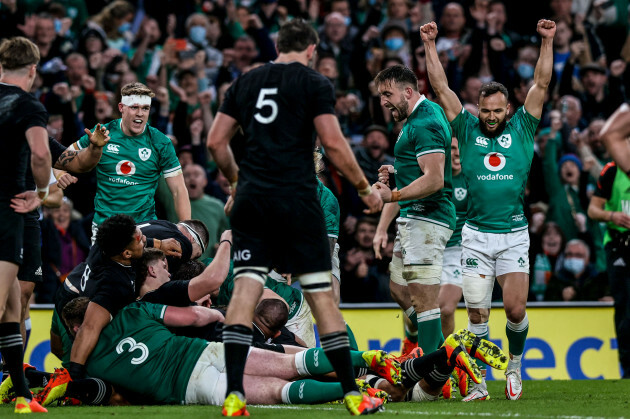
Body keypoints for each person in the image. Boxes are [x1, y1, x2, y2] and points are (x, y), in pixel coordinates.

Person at [206, 19, 383, 416]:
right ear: (311, 49)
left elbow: (215, 141)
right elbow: (334, 144)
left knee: (245, 292)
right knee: (322, 297)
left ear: (276, 46)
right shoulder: (313, 82)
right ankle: (353, 393)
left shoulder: (246, 82)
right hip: (298, 199)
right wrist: (364, 188)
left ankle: (235, 395)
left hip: (253, 200)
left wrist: (237, 182)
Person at [420, 19, 555, 401]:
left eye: (498, 111)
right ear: (477, 108)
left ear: (508, 108)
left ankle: (514, 364)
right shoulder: (465, 127)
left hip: (513, 235)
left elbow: (541, 84)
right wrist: (430, 45)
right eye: (486, 111)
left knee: (514, 310)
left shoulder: (525, 127)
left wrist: (547, 40)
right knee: (477, 316)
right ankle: (477, 381)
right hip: (475, 237)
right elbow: (441, 88)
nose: (491, 116)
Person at [371, 65, 455, 357]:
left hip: (428, 219)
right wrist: (398, 172)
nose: (383, 101)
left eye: (387, 94)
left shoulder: (425, 122)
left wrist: (392, 194)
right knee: (398, 288)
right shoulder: (418, 118)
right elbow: (421, 170)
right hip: (413, 217)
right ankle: (446, 354)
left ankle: (433, 375)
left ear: (408, 91)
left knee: (424, 301)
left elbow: (434, 179)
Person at [0, 36, 52, 414]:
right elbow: (40, 152)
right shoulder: (28, 105)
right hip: (7, 211)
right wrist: (42, 192)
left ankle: (21, 396)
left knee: (11, 310)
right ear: (33, 69)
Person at [70, 81, 191, 242]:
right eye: (134, 107)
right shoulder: (102, 133)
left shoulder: (161, 142)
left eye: (145, 108)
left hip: (144, 228)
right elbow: (65, 155)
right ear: (121, 108)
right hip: (105, 227)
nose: (140, 113)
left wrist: (186, 230)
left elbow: (178, 190)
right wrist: (58, 174)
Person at [588, 161, 630, 378]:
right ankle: (627, 369)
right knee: (624, 308)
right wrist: (612, 216)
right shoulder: (612, 170)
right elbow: (593, 209)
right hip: (618, 245)